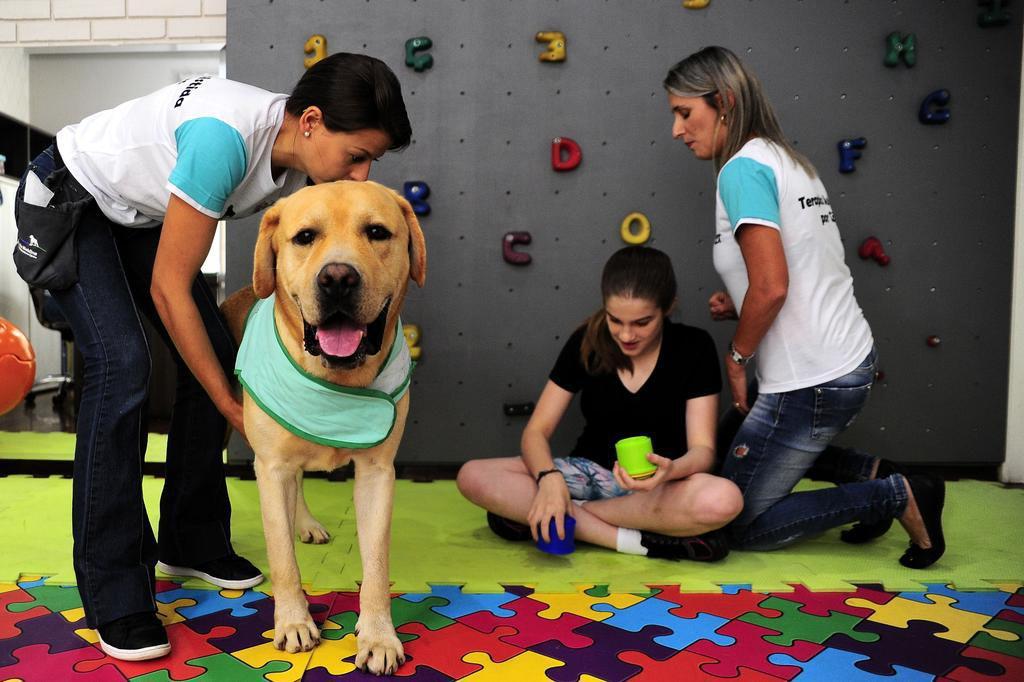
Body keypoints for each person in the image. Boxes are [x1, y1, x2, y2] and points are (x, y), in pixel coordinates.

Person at [12, 53, 411, 661]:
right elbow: (171, 291)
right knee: (124, 366)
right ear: (309, 122)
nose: (360, 174)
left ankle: (191, 539)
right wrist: (234, 405)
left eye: (371, 163)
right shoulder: (226, 142)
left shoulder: (297, 169)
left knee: (218, 353)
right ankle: (114, 588)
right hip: (68, 196)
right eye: (356, 155)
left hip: (132, 210)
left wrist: (228, 384)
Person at [663, 45, 945, 567]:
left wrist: (739, 355)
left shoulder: (741, 171)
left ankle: (898, 495)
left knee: (738, 523)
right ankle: (877, 477)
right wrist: (741, 304)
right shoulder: (784, 157)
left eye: (685, 113)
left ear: (723, 101)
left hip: (811, 381)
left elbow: (772, 288)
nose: (677, 129)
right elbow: (799, 268)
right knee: (729, 454)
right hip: (844, 359)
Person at [457, 246, 743, 562]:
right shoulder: (587, 341)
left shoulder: (694, 346)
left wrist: (671, 469)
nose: (626, 334)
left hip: (657, 488)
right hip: (587, 474)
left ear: (668, 308)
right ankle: (635, 541)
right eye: (615, 320)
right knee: (472, 475)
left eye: (642, 322)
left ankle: (564, 517)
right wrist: (549, 481)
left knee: (724, 500)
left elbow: (702, 452)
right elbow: (536, 432)